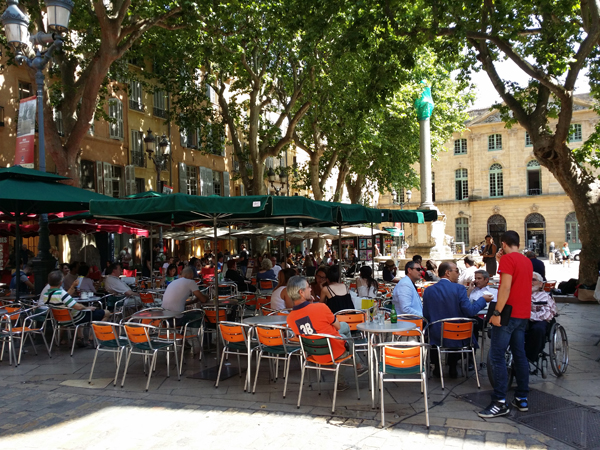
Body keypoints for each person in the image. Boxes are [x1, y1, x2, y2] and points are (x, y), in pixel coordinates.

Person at [478, 230, 533, 419]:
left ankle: (500, 401)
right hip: (523, 314)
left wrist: (496, 313)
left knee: (496, 356)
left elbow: (506, 287)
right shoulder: (526, 260)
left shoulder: (509, 260)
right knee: (520, 355)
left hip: (508, 314)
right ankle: (522, 397)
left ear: (503, 244)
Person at [286, 275, 367, 391]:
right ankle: (343, 379)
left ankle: (358, 365)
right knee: (345, 337)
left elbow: (308, 329)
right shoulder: (320, 307)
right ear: (301, 292)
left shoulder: (290, 318)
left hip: (313, 353)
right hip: (334, 352)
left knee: (344, 327)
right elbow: (337, 326)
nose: (311, 289)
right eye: (308, 287)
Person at [423, 261, 491, 378]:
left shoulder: (429, 290)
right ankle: (453, 365)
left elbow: (426, 314)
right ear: (448, 273)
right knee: (459, 330)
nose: (459, 274)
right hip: (456, 334)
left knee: (433, 331)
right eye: (457, 271)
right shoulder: (459, 289)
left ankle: (437, 366)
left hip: (436, 334)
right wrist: (483, 300)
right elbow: (470, 311)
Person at [44, 270, 110, 347]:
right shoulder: (62, 293)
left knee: (80, 311)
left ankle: (80, 338)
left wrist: (72, 286)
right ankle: (91, 339)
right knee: (106, 313)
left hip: (61, 320)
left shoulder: (47, 295)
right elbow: (78, 307)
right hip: (75, 318)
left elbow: (64, 299)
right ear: (61, 282)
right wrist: (87, 307)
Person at [525, 272, 557, 362]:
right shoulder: (521, 294)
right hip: (523, 320)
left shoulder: (545, 297)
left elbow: (547, 314)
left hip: (540, 320)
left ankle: (530, 357)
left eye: (534, 280)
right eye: (528, 279)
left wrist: (529, 315)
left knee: (538, 330)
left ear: (541, 284)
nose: (531, 282)